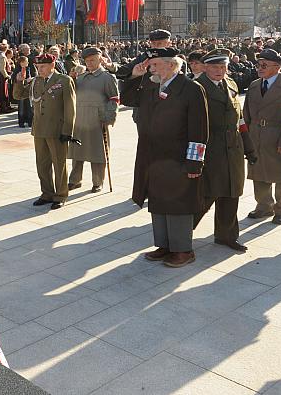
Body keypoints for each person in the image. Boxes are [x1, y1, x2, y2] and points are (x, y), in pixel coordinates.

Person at [121, 46, 208, 268]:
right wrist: (134, 76)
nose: (151, 67)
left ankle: (183, 249)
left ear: (171, 65)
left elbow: (199, 130)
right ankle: (165, 245)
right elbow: (129, 99)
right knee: (158, 201)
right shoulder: (151, 84)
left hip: (178, 158)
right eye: (150, 64)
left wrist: (194, 162)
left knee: (178, 202)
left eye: (155, 64)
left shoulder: (191, 89)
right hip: (153, 156)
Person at [194, 48, 257, 252]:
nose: (220, 70)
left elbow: (239, 119)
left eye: (223, 67)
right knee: (206, 194)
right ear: (205, 67)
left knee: (231, 193)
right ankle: (180, 234)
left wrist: (249, 147)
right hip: (210, 148)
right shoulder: (197, 87)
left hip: (233, 148)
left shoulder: (231, 84)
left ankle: (226, 235)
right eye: (214, 67)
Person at [243, 49, 281, 225]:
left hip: (278, 135)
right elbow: (246, 113)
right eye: (258, 64)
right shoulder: (254, 85)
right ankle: (263, 206)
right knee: (258, 173)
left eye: (264, 65)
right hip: (256, 135)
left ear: (277, 67)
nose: (259, 68)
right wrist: (245, 137)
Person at [13, 53, 76, 210]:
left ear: (52, 66)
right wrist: (19, 82)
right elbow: (18, 95)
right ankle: (47, 193)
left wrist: (67, 130)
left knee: (59, 164)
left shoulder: (63, 80)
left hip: (57, 129)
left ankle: (61, 195)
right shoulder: (36, 81)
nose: (39, 70)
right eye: (38, 67)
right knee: (42, 164)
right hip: (39, 129)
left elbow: (70, 107)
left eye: (43, 67)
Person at [68, 47, 119, 193]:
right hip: (80, 119)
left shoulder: (107, 78)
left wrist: (109, 117)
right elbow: (72, 94)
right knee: (77, 152)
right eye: (87, 61)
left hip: (98, 120)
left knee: (98, 153)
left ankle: (98, 182)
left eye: (92, 60)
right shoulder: (81, 77)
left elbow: (114, 99)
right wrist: (71, 78)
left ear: (100, 59)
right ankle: (75, 180)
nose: (89, 63)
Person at [13, 55, 33, 128]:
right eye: (26, 61)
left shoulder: (27, 68)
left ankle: (29, 121)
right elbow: (15, 79)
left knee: (29, 106)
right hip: (20, 90)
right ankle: (21, 122)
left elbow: (28, 76)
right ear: (21, 62)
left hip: (27, 89)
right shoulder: (18, 69)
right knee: (21, 107)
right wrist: (21, 80)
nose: (27, 63)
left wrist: (29, 80)